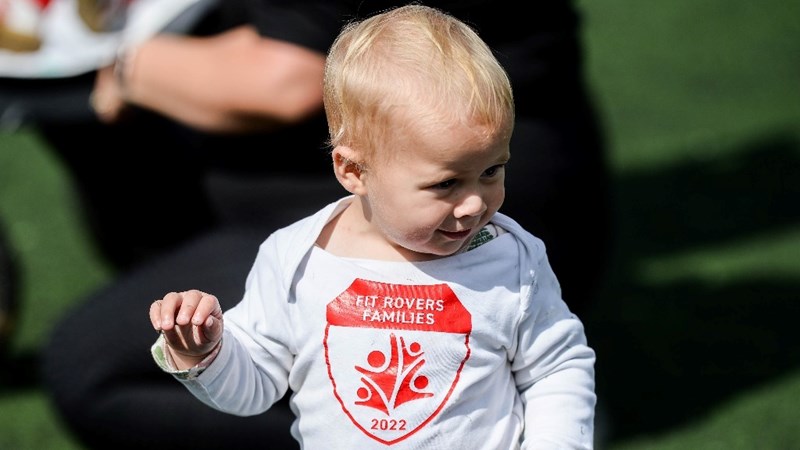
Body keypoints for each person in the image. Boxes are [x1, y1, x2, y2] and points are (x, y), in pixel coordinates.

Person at [39, 0, 610, 449]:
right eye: (444, 184)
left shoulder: (510, 257)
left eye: (491, 171)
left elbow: (556, 365)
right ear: (352, 170)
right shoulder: (297, 256)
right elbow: (257, 386)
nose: (473, 205)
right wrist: (208, 354)